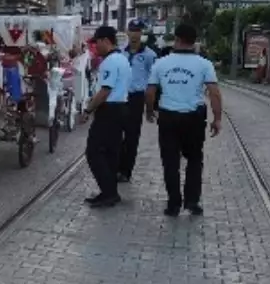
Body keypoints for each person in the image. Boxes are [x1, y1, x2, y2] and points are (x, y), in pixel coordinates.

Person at [145, 23, 222, 217]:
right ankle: (192, 201)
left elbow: (150, 91)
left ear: (177, 40)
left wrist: (149, 111)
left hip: (168, 117)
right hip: (194, 119)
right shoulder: (204, 64)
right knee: (195, 159)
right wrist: (217, 118)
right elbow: (214, 93)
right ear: (194, 42)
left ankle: (173, 203)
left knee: (170, 162)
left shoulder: (161, 63)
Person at [80, 25, 130, 208]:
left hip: (109, 110)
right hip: (121, 109)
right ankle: (110, 192)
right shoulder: (123, 59)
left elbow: (105, 91)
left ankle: (109, 192)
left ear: (105, 41)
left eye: (97, 43)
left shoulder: (110, 62)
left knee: (93, 152)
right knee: (110, 153)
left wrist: (88, 110)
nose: (95, 47)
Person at [117, 19, 158, 183]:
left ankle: (126, 171)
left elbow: (153, 82)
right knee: (116, 135)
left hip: (136, 98)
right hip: (120, 98)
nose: (134, 34)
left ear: (142, 34)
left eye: (138, 31)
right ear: (127, 32)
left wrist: (151, 106)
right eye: (132, 30)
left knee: (132, 136)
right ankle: (117, 167)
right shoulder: (120, 53)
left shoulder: (150, 55)